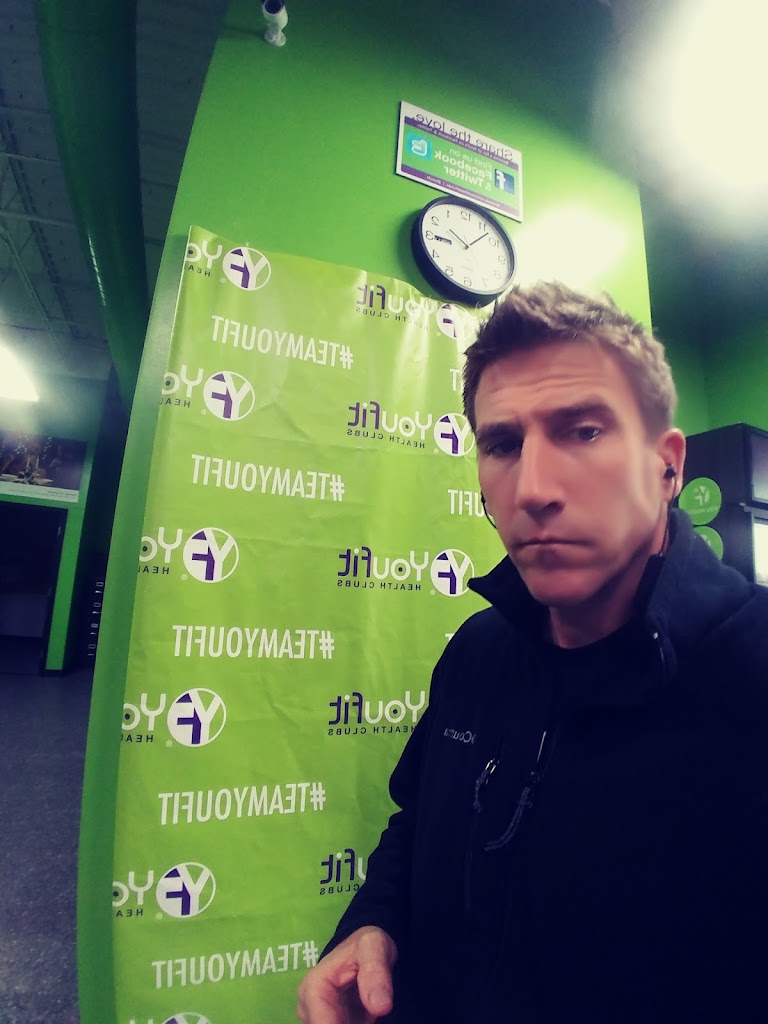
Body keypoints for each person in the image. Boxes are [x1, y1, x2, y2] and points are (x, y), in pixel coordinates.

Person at [297, 281, 768, 1024]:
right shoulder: (477, 651)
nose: (534, 489)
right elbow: (416, 823)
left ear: (667, 466)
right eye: (503, 445)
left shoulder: (752, 670)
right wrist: (372, 924)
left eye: (583, 431)